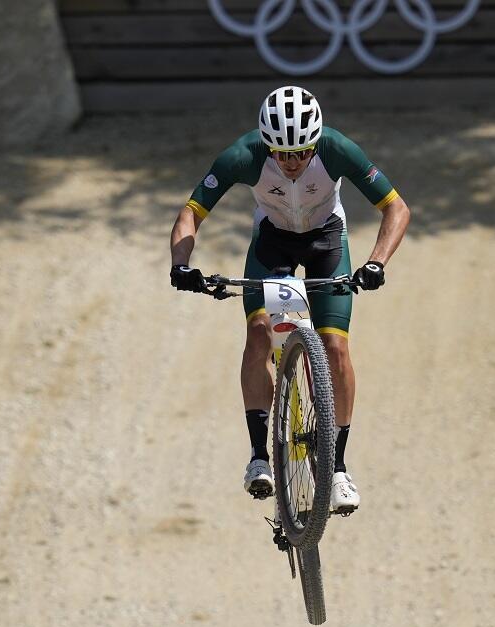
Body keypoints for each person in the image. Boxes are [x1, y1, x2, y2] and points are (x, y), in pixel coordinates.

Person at [168, 85, 411, 515]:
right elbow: (191, 212)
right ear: (266, 144)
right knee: (259, 331)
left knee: (336, 346)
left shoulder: (336, 149)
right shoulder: (242, 156)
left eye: (301, 152)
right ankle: (259, 456)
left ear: (315, 142)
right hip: (272, 245)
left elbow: (396, 208)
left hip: (326, 243)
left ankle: (337, 468)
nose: (294, 163)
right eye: (282, 154)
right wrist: (181, 263)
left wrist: (376, 263)